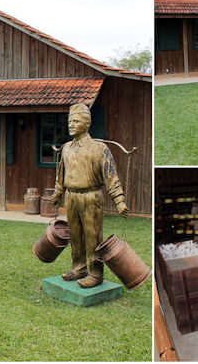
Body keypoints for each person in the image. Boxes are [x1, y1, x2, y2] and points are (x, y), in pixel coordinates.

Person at [51, 103, 128, 288]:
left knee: (93, 236)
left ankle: (95, 272)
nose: (71, 125)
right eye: (69, 121)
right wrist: (58, 193)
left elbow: (111, 176)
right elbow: (60, 174)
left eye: (76, 121)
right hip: (72, 197)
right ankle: (79, 267)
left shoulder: (99, 148)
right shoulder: (67, 148)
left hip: (91, 197)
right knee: (75, 234)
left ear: (86, 124)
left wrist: (119, 201)